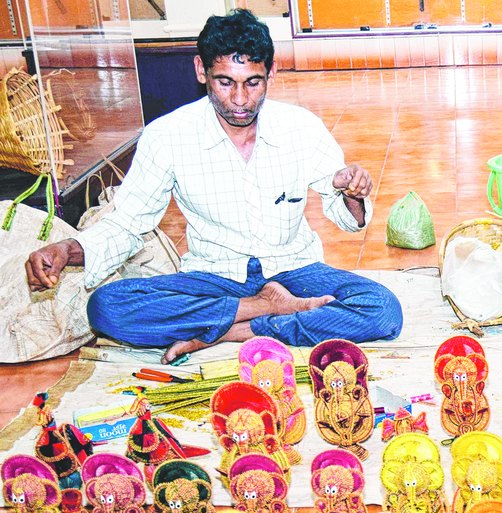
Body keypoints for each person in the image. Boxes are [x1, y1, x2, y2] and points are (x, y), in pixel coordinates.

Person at [24, 9, 402, 363]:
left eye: (252, 82)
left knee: (381, 309)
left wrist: (351, 194)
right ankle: (262, 308)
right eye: (225, 82)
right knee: (106, 307)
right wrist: (67, 250)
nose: (239, 100)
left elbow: (349, 219)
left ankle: (232, 330)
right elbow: (127, 223)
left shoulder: (300, 127)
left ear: (271, 73)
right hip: (214, 277)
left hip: (294, 272)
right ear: (201, 71)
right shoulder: (168, 136)